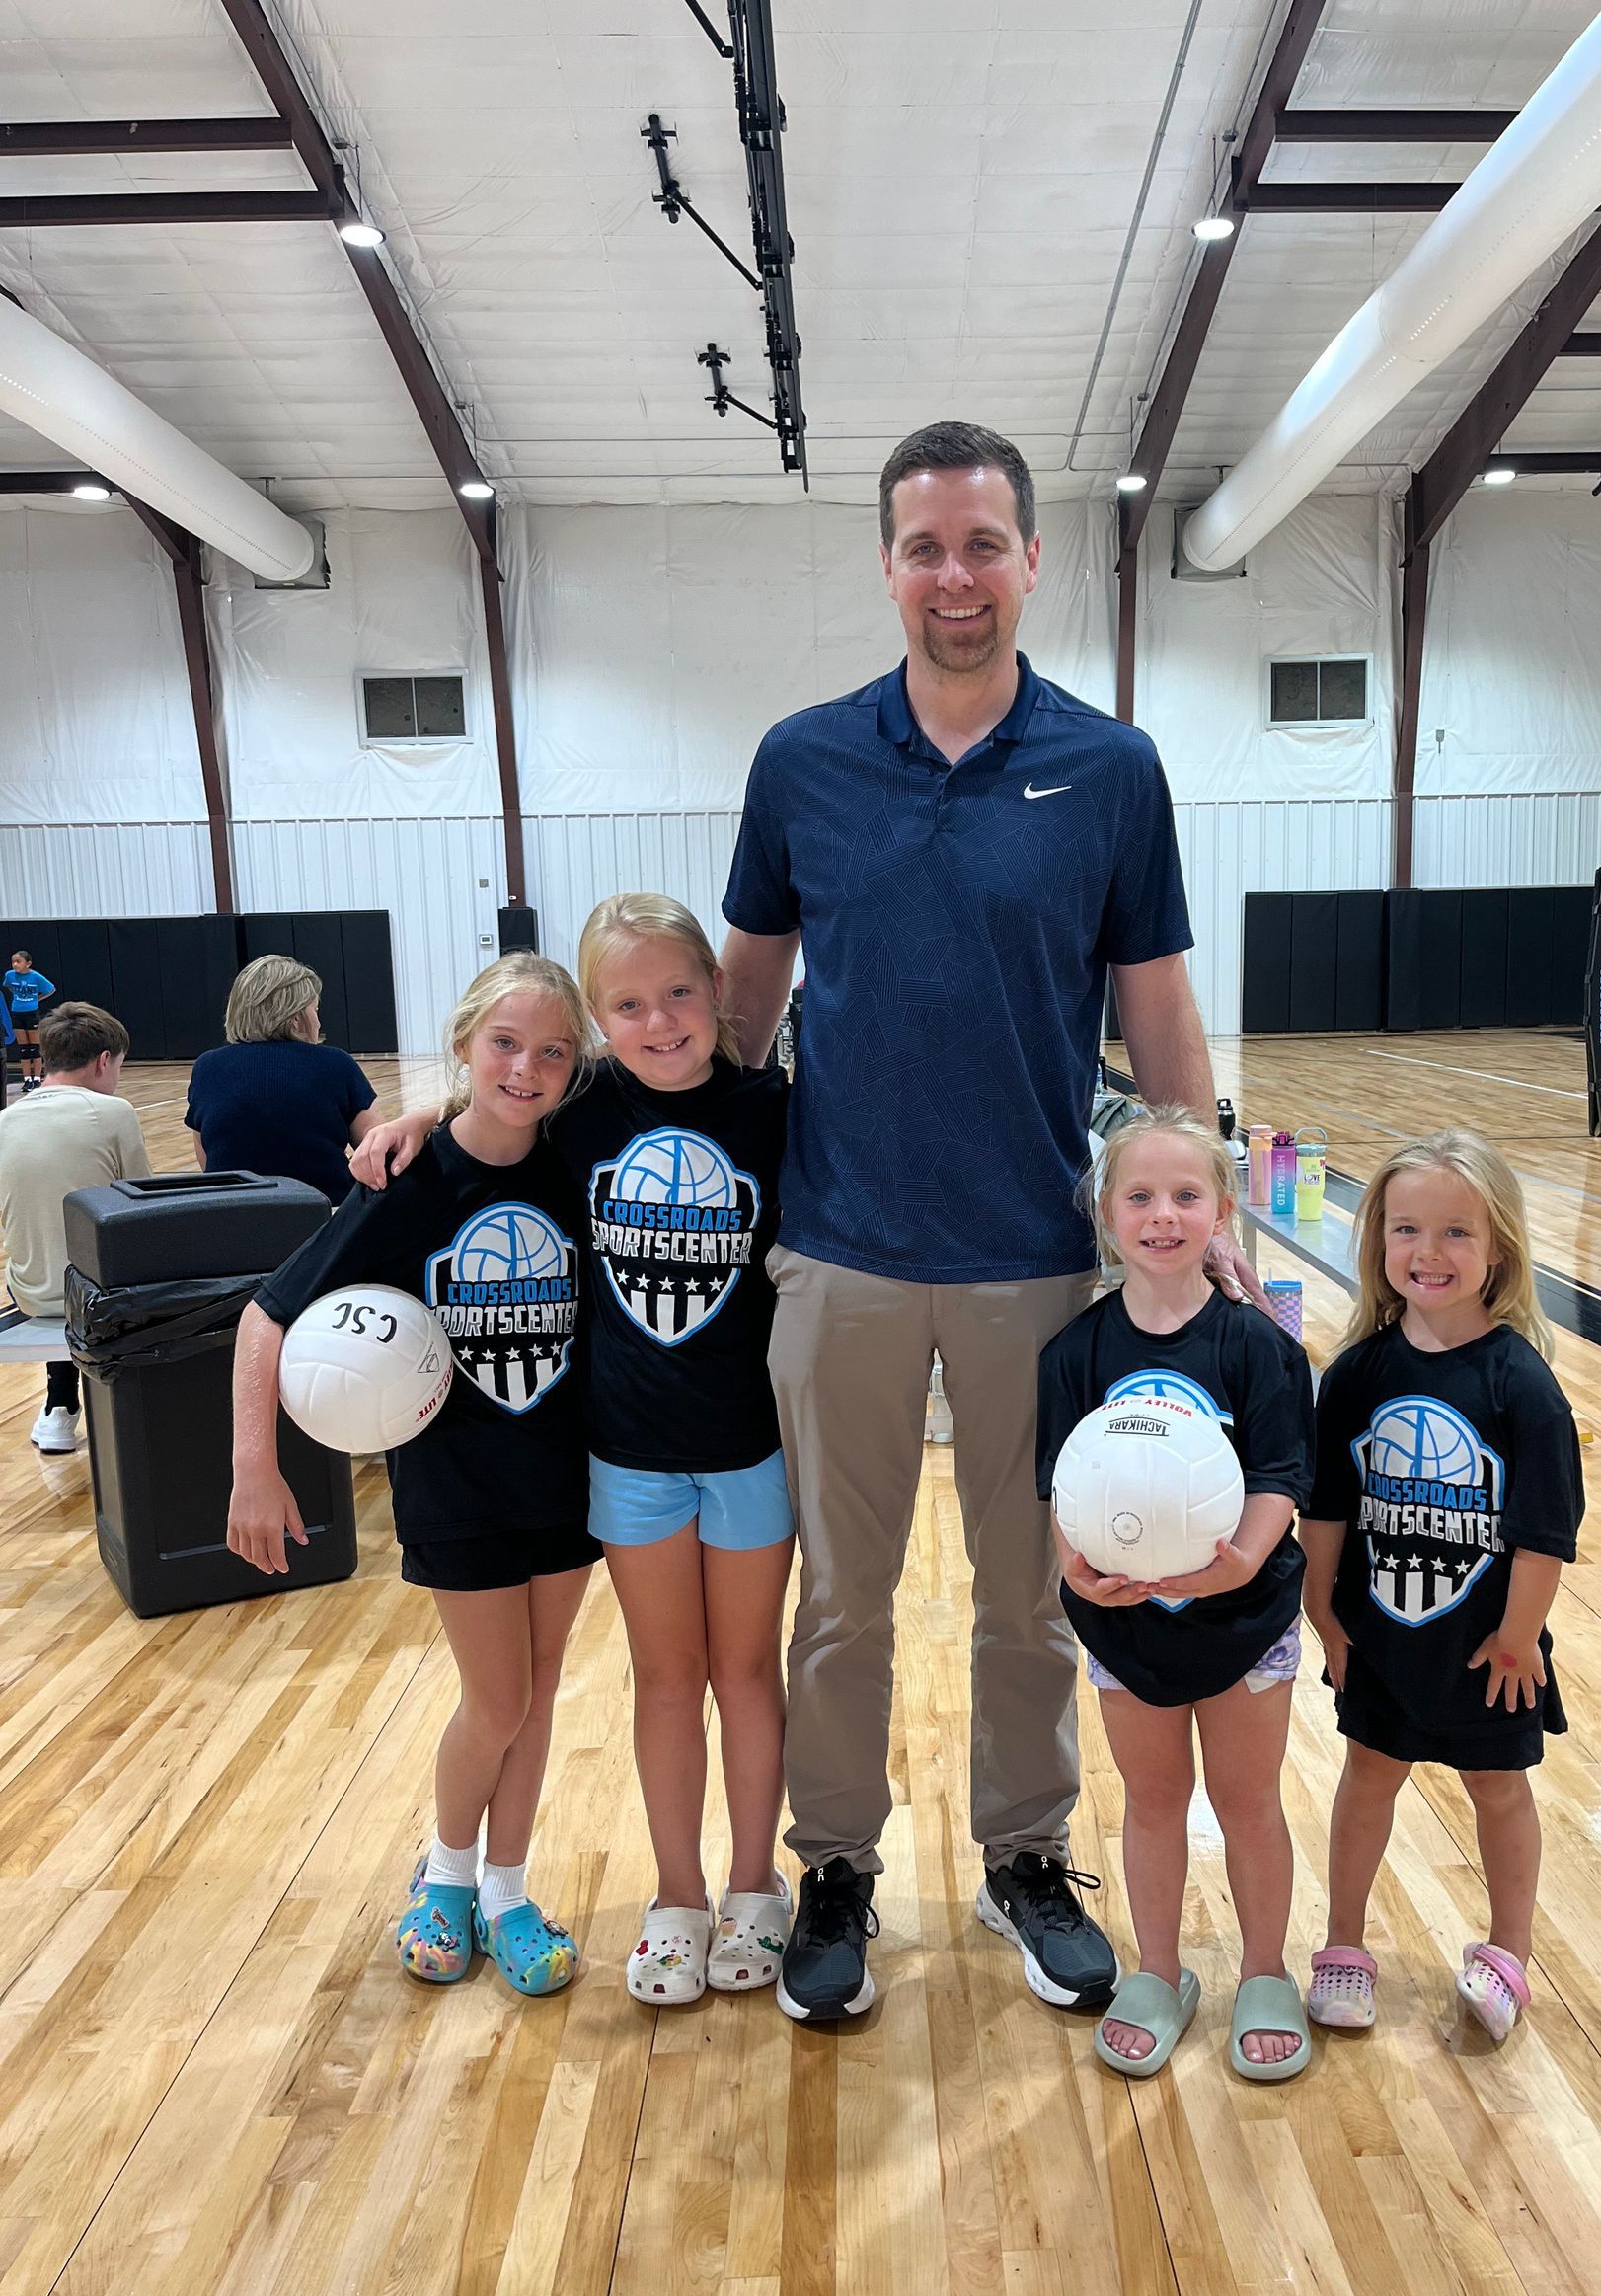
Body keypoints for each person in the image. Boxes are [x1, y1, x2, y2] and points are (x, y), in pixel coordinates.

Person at [712, 419, 1251, 2022]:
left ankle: (1026, 1855)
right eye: (927, 547)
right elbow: (734, 1019)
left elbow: (1156, 1006)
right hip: (841, 1256)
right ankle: (835, 1866)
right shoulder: (802, 762)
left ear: (1031, 559)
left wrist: (1204, 1193)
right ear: (889, 566)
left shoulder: (1113, 769)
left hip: (1039, 1261)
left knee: (1037, 1593)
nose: (957, 575)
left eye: (984, 544)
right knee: (840, 1602)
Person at [352, 897, 797, 2011]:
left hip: (751, 1449)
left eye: (679, 992)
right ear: (600, 1020)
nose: (660, 1020)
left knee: (746, 1673)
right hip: (629, 1458)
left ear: (717, 990)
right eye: (628, 1004)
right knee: (666, 1677)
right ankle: (679, 1895)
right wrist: (425, 1112)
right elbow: (501, 1100)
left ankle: (755, 1884)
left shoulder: (774, 1109)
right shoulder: (584, 1108)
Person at [229, 955, 598, 1997]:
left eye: (552, 1052)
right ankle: (446, 1876)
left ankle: (507, 1892)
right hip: (455, 1487)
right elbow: (267, 1314)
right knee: (497, 1699)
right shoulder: (405, 1181)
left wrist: (430, 1107)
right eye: (504, 1045)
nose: (525, 1069)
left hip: (567, 1480)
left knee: (537, 1696)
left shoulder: (578, 1161)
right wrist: (254, 1465)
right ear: (464, 1043)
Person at [1038, 1110, 1315, 2081]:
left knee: (1248, 1802)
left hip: (1245, 1619)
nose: (1163, 1215)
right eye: (1140, 1197)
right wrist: (1075, 1565)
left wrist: (1241, 1561)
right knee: (1152, 1804)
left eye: (1186, 1195)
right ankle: (1158, 1972)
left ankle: (1266, 1972)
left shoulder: (1258, 1346)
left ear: (1222, 1212)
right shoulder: (1074, 1352)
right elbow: (1063, 1484)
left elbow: (1281, 1475)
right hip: (1129, 1625)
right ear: (1107, 1217)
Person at [1300, 1128, 1584, 2048]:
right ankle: (1344, 1943)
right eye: (1407, 1229)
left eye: (1457, 1232)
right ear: (1378, 1239)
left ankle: (1509, 1953)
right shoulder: (1356, 1375)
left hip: (1486, 1648)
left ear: (1499, 1246)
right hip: (1382, 1636)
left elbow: (1542, 1537)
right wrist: (1321, 1610)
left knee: (1498, 1790)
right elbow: (1327, 1511)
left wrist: (1519, 1637)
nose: (1429, 1252)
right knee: (1367, 1777)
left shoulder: (1522, 1386)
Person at [0, 1000, 149, 1453]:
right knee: (116, 1255)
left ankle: (60, 1403)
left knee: (55, 1247)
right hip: (99, 1296)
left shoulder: (4, 1121)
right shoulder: (114, 1112)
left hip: (29, 1292)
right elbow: (145, 1207)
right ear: (103, 1061)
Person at [187, 956, 379, 1204]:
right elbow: (377, 1149)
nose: (319, 1021)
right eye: (315, 1011)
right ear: (296, 1018)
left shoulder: (207, 1067)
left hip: (231, 1212)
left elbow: (207, 1158)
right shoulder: (336, 1064)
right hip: (326, 1212)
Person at [6, 951, 57, 1089]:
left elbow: (51, 989)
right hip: (17, 1013)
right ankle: (27, 1079)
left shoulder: (35, 977)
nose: (15, 965)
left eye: (18, 962)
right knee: (24, 1049)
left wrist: (36, 999)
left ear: (28, 964)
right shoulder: (9, 975)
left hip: (31, 1013)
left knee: (34, 1048)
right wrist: (17, 995)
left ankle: (37, 1078)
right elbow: (9, 986)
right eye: (13, 962)